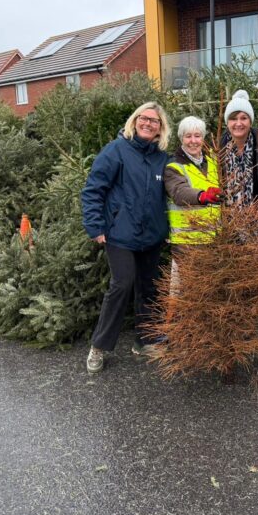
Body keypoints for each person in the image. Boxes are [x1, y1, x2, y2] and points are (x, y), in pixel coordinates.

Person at [80, 102, 171, 374]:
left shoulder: (162, 158)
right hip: (120, 234)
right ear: (135, 121)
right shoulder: (116, 150)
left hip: (152, 235)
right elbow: (93, 189)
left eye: (154, 121)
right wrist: (95, 227)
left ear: (161, 128)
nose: (148, 124)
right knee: (122, 284)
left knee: (149, 287)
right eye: (144, 118)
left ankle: (145, 340)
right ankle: (99, 346)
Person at [164, 116, 222, 292]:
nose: (193, 141)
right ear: (182, 139)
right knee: (189, 293)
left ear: (203, 139)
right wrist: (202, 196)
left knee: (211, 290)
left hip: (214, 240)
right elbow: (180, 192)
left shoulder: (213, 161)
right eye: (188, 136)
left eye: (197, 136)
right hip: (187, 242)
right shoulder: (174, 166)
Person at [220, 90, 258, 207]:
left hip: (257, 217)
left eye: (243, 118)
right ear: (227, 122)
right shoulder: (219, 147)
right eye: (234, 119)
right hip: (229, 219)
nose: (238, 123)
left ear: (250, 121)